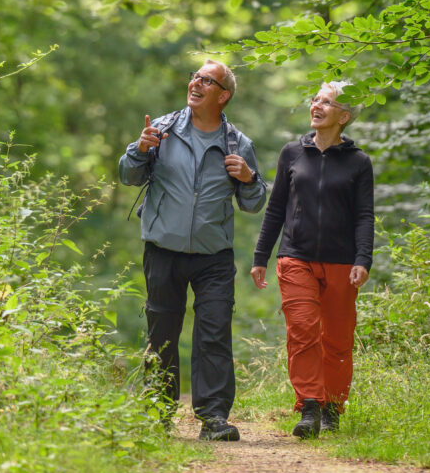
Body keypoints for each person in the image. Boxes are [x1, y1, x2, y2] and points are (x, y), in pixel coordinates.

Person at [119, 60, 267, 442]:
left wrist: (249, 178)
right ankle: (158, 413)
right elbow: (127, 175)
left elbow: (253, 203)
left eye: (207, 80)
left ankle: (214, 418)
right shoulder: (163, 130)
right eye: (195, 77)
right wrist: (139, 149)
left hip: (213, 256)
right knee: (162, 333)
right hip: (163, 249)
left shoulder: (238, 144)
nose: (196, 83)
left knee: (214, 333)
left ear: (224, 95)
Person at [250, 81, 374, 439]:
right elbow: (276, 208)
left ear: (343, 116)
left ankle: (332, 407)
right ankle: (309, 406)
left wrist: (362, 258)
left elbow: (364, 215)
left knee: (337, 339)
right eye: (315, 99)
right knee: (302, 331)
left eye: (327, 102)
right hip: (295, 257)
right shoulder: (292, 153)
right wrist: (261, 255)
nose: (316, 106)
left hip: (342, 262)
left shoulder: (359, 162)